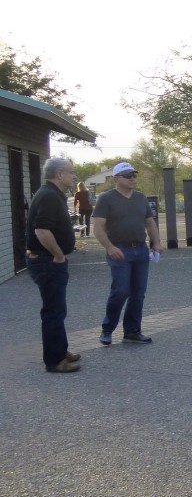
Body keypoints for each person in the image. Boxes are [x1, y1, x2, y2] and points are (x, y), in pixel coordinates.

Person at [92, 162, 163, 346]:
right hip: (119, 250)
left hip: (140, 249)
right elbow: (98, 227)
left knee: (138, 292)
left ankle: (132, 331)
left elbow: (150, 222)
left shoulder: (140, 198)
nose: (132, 178)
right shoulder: (106, 199)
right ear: (116, 179)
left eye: (134, 175)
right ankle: (107, 329)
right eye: (127, 175)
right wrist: (109, 247)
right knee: (120, 290)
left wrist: (156, 242)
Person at [26, 158, 81, 373]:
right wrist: (58, 255)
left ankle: (60, 350)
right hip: (47, 262)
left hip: (48, 261)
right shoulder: (48, 196)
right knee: (53, 311)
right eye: (71, 172)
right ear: (59, 175)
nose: (74, 176)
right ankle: (55, 361)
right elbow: (41, 230)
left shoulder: (52, 194)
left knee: (57, 309)